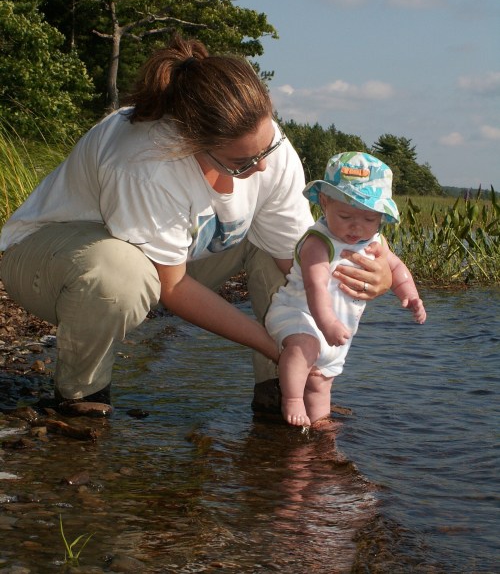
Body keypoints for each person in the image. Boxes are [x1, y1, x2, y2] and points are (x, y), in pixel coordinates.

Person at [0, 35, 392, 417]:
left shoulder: (267, 148)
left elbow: (300, 263)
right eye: (242, 162)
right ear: (191, 142)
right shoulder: (144, 161)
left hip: (166, 262)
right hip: (51, 260)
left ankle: (285, 390)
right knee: (119, 271)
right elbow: (172, 287)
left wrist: (368, 282)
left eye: (267, 147)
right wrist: (279, 344)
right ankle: (80, 396)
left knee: (291, 253)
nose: (262, 167)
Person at [266, 152, 426, 428]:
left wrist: (410, 294)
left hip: (338, 331)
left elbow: (396, 269)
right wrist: (326, 322)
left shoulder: (374, 241)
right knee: (305, 346)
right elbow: (315, 284)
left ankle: (320, 425)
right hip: (299, 314)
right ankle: (291, 399)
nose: (357, 227)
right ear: (325, 203)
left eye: (369, 219)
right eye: (345, 215)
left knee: (321, 382)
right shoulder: (319, 241)